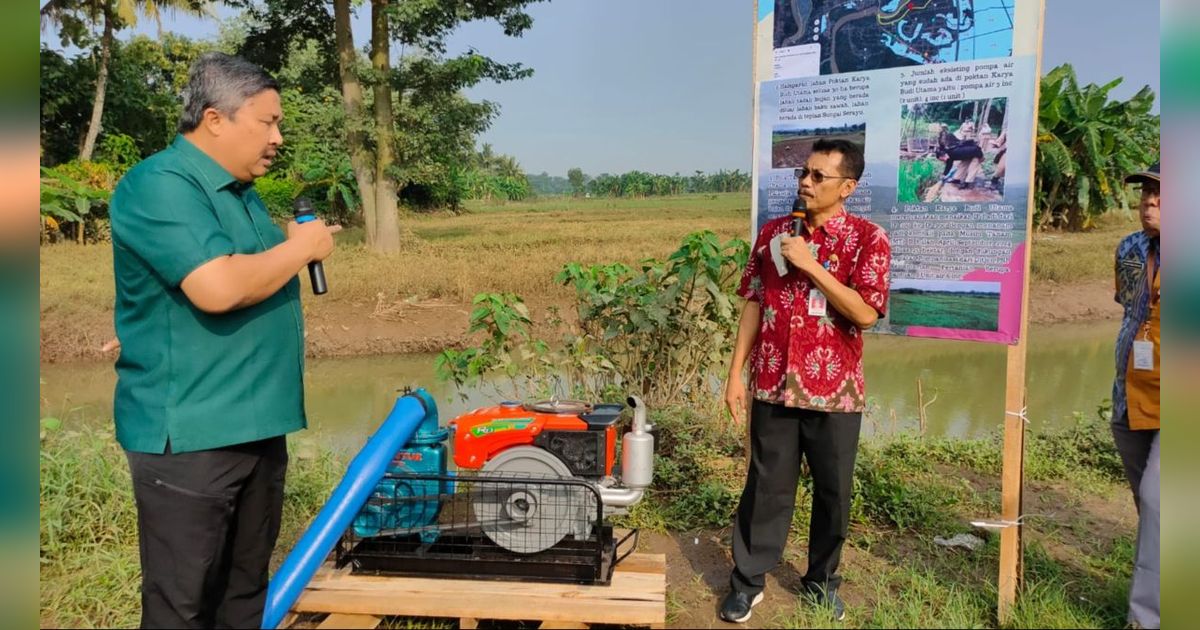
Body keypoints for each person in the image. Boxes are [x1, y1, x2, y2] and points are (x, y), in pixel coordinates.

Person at [108, 52, 339, 629]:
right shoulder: (158, 185)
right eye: (268, 122)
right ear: (215, 119)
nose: (278, 137)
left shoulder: (239, 191)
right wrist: (301, 249)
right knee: (183, 606)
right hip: (192, 438)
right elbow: (216, 286)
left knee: (242, 599)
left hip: (258, 429)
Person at [719, 139, 891, 623]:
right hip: (773, 383)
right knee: (765, 486)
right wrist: (736, 374)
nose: (805, 183)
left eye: (819, 177)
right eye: (804, 174)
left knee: (833, 493)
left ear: (847, 187)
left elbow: (865, 313)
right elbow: (754, 301)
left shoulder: (867, 239)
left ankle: (821, 581)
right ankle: (748, 581)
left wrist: (812, 264)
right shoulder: (774, 231)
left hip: (835, 392)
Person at [1110, 162, 1160, 629]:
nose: (1150, 201)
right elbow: (1129, 310)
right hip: (1131, 390)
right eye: (1146, 191)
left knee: (1161, 498)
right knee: (1150, 505)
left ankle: (1148, 619)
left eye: (1163, 195)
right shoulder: (1129, 247)